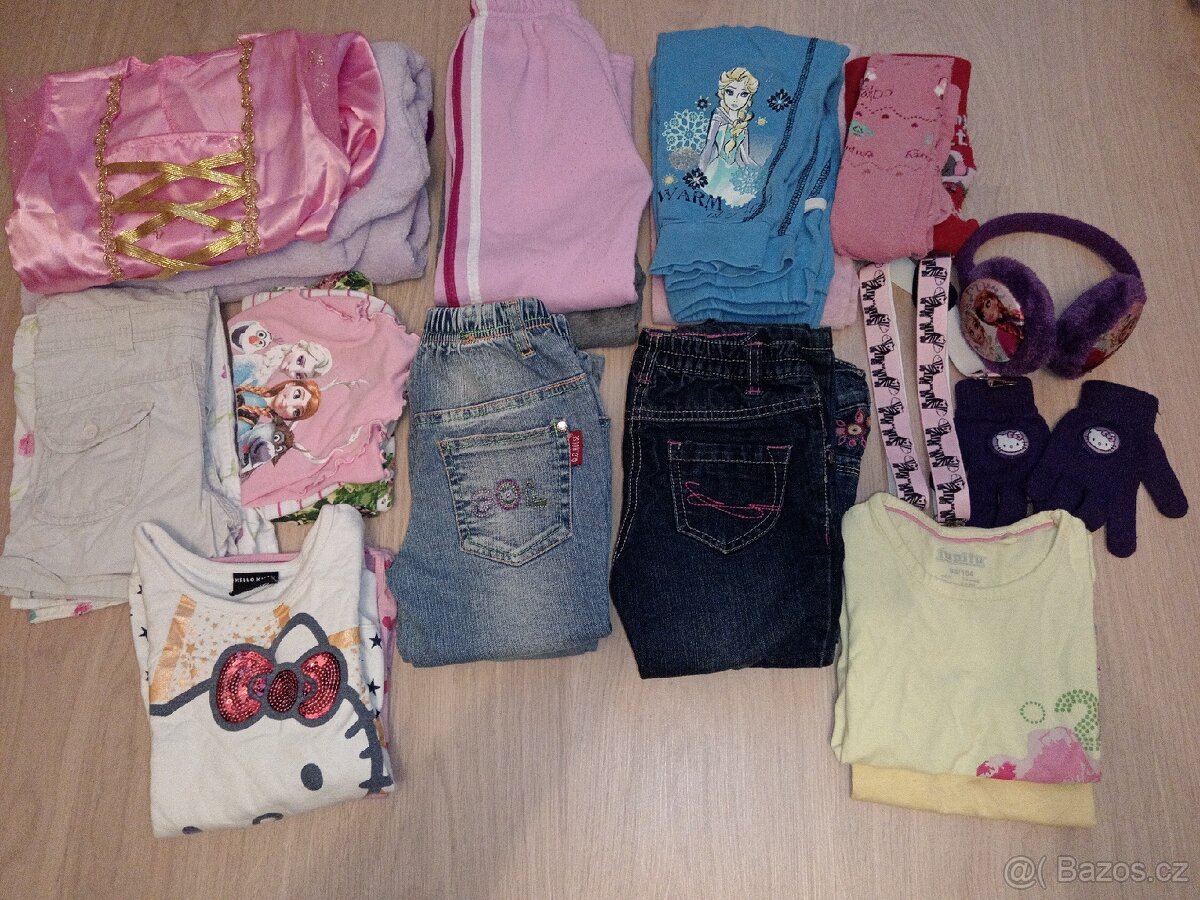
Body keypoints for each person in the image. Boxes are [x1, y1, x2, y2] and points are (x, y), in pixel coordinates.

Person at [697, 66, 760, 207]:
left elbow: (745, 157)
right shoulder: (718, 116)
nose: (736, 99)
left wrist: (762, 174)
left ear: (749, 98)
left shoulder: (743, 125)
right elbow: (709, 144)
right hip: (716, 170)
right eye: (730, 92)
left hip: (733, 172)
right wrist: (700, 170)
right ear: (722, 92)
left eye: (743, 94)